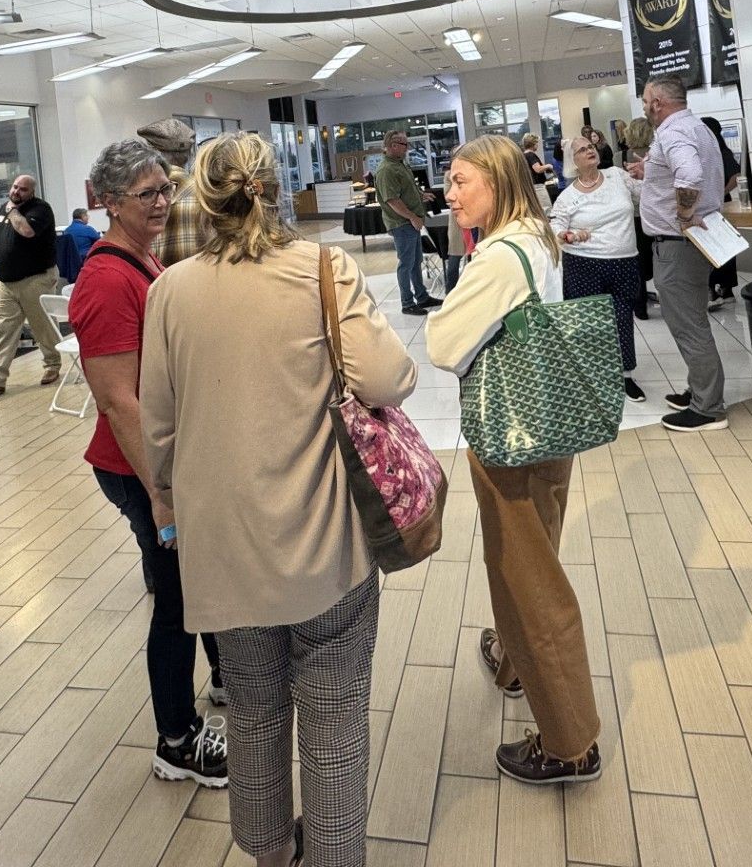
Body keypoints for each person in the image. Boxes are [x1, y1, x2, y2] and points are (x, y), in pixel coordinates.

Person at [143, 132, 415, 867]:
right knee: (334, 722)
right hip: (323, 539)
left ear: (203, 199)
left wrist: (168, 505)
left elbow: (158, 428)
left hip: (223, 547)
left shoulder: (169, 290)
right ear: (273, 184)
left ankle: (269, 853)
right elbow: (388, 381)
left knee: (255, 713)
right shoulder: (322, 268)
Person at [426, 135, 601, 786]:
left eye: (460, 180)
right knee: (529, 553)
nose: (450, 192)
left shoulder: (498, 257)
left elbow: (443, 341)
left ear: (496, 183)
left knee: (529, 576)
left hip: (510, 429)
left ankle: (570, 743)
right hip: (549, 421)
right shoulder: (538, 232)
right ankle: (512, 659)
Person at [70, 139, 226, 788]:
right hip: (139, 467)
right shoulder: (106, 280)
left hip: (165, 460)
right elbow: (116, 399)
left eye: (165, 189)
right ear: (109, 202)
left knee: (200, 577)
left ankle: (231, 680)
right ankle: (176, 740)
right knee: (178, 597)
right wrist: (160, 493)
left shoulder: (140, 254)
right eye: (146, 194)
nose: (162, 203)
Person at [628, 77, 729, 432]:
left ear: (656, 101)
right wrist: (649, 171)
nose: (643, 106)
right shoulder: (697, 128)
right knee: (694, 319)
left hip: (678, 244)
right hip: (693, 244)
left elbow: (690, 174)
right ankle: (701, 390)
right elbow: (683, 171)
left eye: (644, 100)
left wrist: (684, 216)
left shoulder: (672, 133)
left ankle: (708, 408)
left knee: (689, 325)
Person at [548, 136, 647, 403]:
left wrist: (650, 173)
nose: (589, 151)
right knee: (586, 323)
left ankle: (625, 375)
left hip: (623, 260)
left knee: (623, 317)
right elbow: (555, 227)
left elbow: (646, 193)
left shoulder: (617, 176)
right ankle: (590, 378)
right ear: (573, 161)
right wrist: (569, 236)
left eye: (590, 147)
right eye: (582, 150)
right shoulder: (569, 196)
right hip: (583, 264)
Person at [0, 174, 61, 395]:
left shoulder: (40, 210)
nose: (16, 192)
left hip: (35, 278)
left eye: (22, 190)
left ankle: (52, 365)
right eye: (15, 187)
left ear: (32, 192)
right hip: (7, 283)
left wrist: (12, 211)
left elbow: (26, 231)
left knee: (42, 326)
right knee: (4, 329)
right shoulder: (4, 209)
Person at [375, 129, 439, 318]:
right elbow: (392, 200)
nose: (407, 148)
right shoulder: (387, 170)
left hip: (409, 223)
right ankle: (407, 303)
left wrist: (421, 195)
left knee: (415, 262)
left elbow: (407, 187)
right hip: (401, 224)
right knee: (406, 264)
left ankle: (422, 297)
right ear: (393, 146)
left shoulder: (399, 165)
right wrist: (412, 216)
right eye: (404, 144)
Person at [138, 117, 209, 268]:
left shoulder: (136, 200)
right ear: (189, 154)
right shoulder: (208, 198)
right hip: (200, 287)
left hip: (155, 289)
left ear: (151, 155)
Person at [700, 116, 742, 310]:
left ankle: (719, 289)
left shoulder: (720, 152)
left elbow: (735, 176)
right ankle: (723, 289)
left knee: (717, 248)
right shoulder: (711, 152)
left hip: (719, 206)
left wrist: (720, 192)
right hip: (714, 204)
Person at [623, 116, 655, 320]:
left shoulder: (621, 156)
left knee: (638, 260)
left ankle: (640, 306)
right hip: (656, 211)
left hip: (634, 214)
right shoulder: (655, 154)